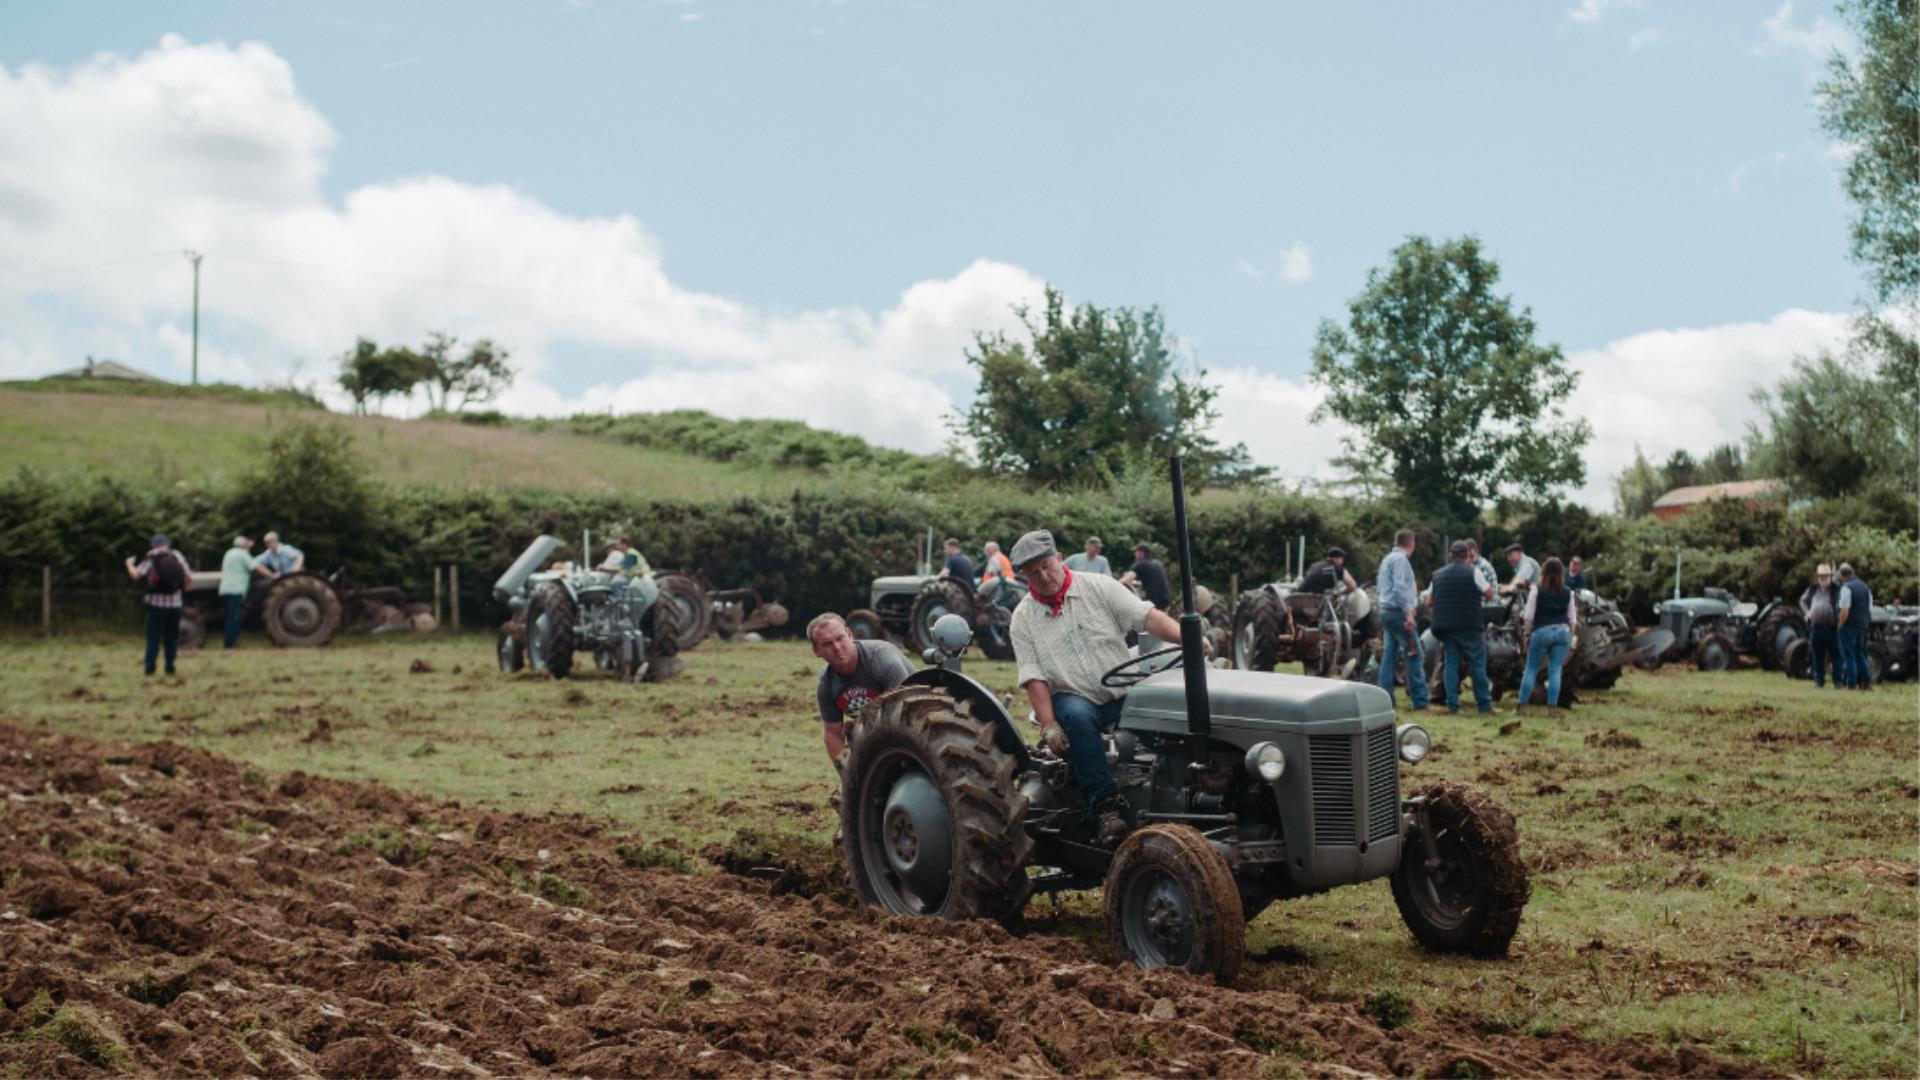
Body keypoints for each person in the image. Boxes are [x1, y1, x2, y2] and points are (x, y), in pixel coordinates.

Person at [1008, 529, 1187, 845]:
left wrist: (1188, 639)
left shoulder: (1100, 587)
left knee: (1166, 706)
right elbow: (1033, 677)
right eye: (1034, 573)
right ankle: (1105, 809)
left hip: (1121, 690)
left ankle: (1178, 791)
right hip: (1072, 695)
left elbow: (1147, 618)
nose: (1044, 575)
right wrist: (1049, 725)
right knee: (1078, 717)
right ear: (1024, 576)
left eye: (1047, 565)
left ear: (1060, 558)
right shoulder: (1023, 619)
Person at [810, 613, 912, 770]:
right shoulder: (826, 683)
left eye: (840, 638)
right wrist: (850, 775)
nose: (837, 648)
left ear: (850, 635)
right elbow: (832, 733)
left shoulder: (883, 661)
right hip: (879, 730)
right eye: (827, 644)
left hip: (919, 722)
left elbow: (905, 715)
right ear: (816, 651)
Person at [1429, 541, 1493, 715]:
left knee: (1451, 664)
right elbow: (1489, 593)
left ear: (1451, 555)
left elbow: (1428, 601)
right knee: (1477, 665)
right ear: (1467, 556)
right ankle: (1484, 705)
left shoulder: (1438, 575)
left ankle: (1453, 706)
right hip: (1470, 625)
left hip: (1446, 627)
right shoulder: (1474, 572)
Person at [1514, 557, 1580, 716]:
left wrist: (1526, 633)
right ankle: (1551, 710)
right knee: (1555, 670)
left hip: (1542, 632)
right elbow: (1572, 619)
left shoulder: (1536, 590)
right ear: (1561, 573)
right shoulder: (1567, 592)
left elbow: (1528, 616)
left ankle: (1521, 707)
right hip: (1562, 633)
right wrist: (1570, 637)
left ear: (1543, 572)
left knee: (1531, 669)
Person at [1375, 529, 1430, 710]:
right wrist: (1408, 612)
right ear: (1411, 544)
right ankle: (1420, 701)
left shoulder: (1387, 559)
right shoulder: (1400, 560)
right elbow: (1399, 588)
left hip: (1386, 611)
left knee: (1389, 656)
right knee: (1415, 654)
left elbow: (1381, 587)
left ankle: (1385, 700)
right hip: (1398, 612)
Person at [125, 534, 191, 677]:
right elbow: (188, 577)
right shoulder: (176, 555)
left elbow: (136, 575)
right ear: (166, 544)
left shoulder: (151, 558)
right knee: (171, 638)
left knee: (154, 637)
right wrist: (181, 590)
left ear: (153, 545)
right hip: (175, 605)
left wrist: (129, 564)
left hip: (156, 605)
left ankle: (150, 670)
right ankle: (170, 668)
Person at [218, 536, 266, 648]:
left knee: (230, 616)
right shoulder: (242, 554)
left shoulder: (229, 553)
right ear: (243, 545)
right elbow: (256, 567)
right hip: (236, 589)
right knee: (235, 616)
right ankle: (230, 644)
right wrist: (272, 575)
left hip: (225, 589)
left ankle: (230, 642)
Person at [1800, 563, 1843, 689]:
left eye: (1825, 576)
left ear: (1830, 576)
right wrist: (1807, 612)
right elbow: (1802, 600)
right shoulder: (1813, 589)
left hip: (1831, 627)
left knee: (1836, 655)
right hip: (1816, 627)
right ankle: (1819, 680)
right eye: (1821, 576)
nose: (1823, 578)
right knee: (1817, 655)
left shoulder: (1836, 589)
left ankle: (1837, 682)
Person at [1836, 563, 1873, 691]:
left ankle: (1851, 683)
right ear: (1852, 572)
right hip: (1863, 625)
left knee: (1848, 655)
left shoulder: (1846, 588)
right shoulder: (1865, 587)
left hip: (1849, 625)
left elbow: (1845, 610)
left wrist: (1840, 624)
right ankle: (1866, 682)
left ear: (1841, 575)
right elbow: (1869, 608)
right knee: (1861, 655)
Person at [1119, 542, 1172, 609]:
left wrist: (1112, 583)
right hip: (1165, 601)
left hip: (1151, 602)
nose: (1134, 554)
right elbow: (1152, 582)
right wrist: (1136, 583)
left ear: (1141, 553)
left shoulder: (1140, 564)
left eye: (1136, 552)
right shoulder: (1158, 563)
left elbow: (1125, 581)